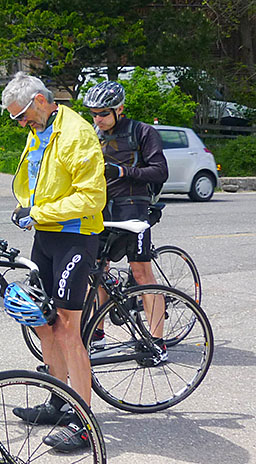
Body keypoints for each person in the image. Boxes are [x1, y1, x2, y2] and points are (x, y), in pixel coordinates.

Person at [0, 72, 106, 452]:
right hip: (46, 237)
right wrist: (26, 208)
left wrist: (39, 211)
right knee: (42, 323)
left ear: (41, 101)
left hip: (75, 237)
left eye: (22, 116)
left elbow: (92, 199)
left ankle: (84, 422)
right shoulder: (39, 130)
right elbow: (40, 183)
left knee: (66, 329)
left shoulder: (77, 134)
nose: (20, 124)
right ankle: (59, 401)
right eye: (16, 119)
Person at [83, 80, 169, 363]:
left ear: (120, 109)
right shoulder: (92, 134)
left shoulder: (142, 132)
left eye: (103, 113)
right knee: (95, 271)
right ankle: (97, 335)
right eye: (94, 113)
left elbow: (159, 172)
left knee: (141, 271)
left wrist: (122, 171)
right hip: (100, 210)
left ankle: (156, 342)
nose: (98, 119)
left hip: (133, 208)